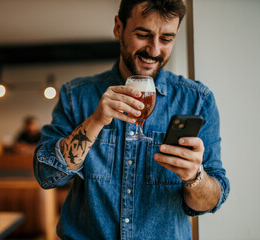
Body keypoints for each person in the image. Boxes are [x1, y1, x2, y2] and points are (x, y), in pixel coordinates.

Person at [34, 0, 230, 239]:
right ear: (118, 28)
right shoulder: (75, 95)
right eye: (143, 34)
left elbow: (211, 201)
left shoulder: (198, 100)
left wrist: (194, 177)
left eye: (166, 39)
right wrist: (95, 120)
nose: (154, 50)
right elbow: (46, 176)